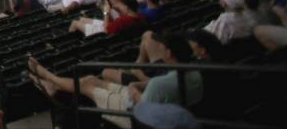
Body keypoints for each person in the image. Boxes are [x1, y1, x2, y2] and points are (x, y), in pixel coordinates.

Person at [27, 32, 201, 113]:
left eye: (163, 48)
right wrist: (139, 83)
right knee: (90, 78)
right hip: (157, 102)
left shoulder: (161, 85)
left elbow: (145, 113)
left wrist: (134, 90)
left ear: (169, 53)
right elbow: (157, 85)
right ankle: (53, 85)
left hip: (132, 112)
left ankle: (49, 78)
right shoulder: (195, 74)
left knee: (87, 84)